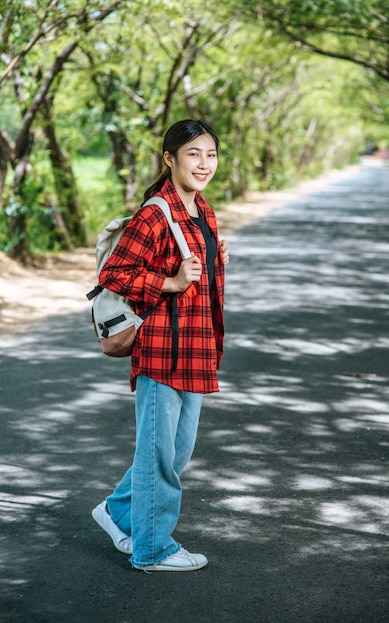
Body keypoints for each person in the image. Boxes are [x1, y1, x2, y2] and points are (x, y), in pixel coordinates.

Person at [92, 119, 229, 572]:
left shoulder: (201, 210)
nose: (203, 163)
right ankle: (153, 549)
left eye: (210, 154)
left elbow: (198, 280)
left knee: (176, 453)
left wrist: (214, 259)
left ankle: (116, 512)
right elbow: (113, 274)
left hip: (194, 349)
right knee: (159, 457)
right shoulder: (156, 212)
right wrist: (168, 281)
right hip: (161, 353)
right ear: (169, 159)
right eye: (193, 154)